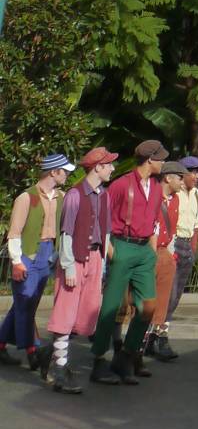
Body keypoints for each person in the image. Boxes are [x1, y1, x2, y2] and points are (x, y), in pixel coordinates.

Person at [89, 139, 168, 385]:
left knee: (148, 307)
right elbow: (102, 220)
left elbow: (155, 222)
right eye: (161, 158)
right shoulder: (121, 185)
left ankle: (125, 356)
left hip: (144, 250)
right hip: (123, 246)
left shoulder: (155, 187)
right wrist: (113, 252)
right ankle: (99, 360)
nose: (164, 162)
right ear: (150, 160)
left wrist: (152, 253)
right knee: (111, 307)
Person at [44, 147, 115, 395]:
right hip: (74, 258)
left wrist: (103, 264)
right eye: (108, 165)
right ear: (97, 167)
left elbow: (105, 233)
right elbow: (66, 233)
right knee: (65, 312)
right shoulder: (75, 195)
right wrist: (68, 264)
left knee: (85, 314)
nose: (112, 169)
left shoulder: (104, 196)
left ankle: (52, 358)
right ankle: (59, 368)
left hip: (94, 258)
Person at [1, 152, 71, 370]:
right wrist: (17, 261)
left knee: (26, 302)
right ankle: (34, 350)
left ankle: (1, 344)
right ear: (54, 172)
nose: (68, 175)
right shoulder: (26, 198)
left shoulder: (62, 197)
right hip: (27, 253)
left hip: (48, 252)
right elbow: (14, 233)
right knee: (26, 302)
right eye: (65, 171)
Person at [157, 154, 198, 360]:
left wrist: (193, 251)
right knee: (167, 293)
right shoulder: (174, 196)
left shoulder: (197, 195)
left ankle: (160, 333)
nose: (197, 176)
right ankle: (158, 336)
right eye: (194, 172)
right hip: (173, 244)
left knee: (175, 297)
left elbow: (195, 226)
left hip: (186, 246)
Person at [141, 162, 185, 364]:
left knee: (163, 301)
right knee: (145, 302)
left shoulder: (175, 200)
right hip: (149, 251)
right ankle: (138, 344)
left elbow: (173, 228)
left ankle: (153, 339)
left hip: (165, 251)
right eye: (180, 177)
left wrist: (171, 252)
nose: (182, 182)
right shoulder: (151, 196)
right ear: (168, 178)